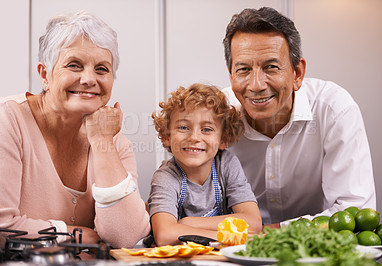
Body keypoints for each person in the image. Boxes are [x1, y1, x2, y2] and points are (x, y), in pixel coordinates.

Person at [0, 11, 150, 248]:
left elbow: (126, 237)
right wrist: (71, 234)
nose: (89, 79)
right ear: (45, 75)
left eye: (102, 69)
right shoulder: (8, 120)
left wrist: (103, 142)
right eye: (74, 65)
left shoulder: (112, 138)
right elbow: (2, 227)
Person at [222, 7, 376, 228]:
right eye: (243, 69)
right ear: (231, 75)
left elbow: (355, 212)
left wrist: (267, 235)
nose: (256, 85)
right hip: (231, 251)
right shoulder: (215, 115)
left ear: (297, 73)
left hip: (315, 254)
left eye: (271, 67)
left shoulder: (333, 109)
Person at [148, 83, 262, 246]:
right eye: (183, 127)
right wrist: (235, 236)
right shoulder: (166, 177)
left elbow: (253, 223)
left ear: (223, 139)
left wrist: (188, 223)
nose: (194, 137)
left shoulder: (227, 164)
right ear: (167, 136)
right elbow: (165, 234)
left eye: (207, 129)